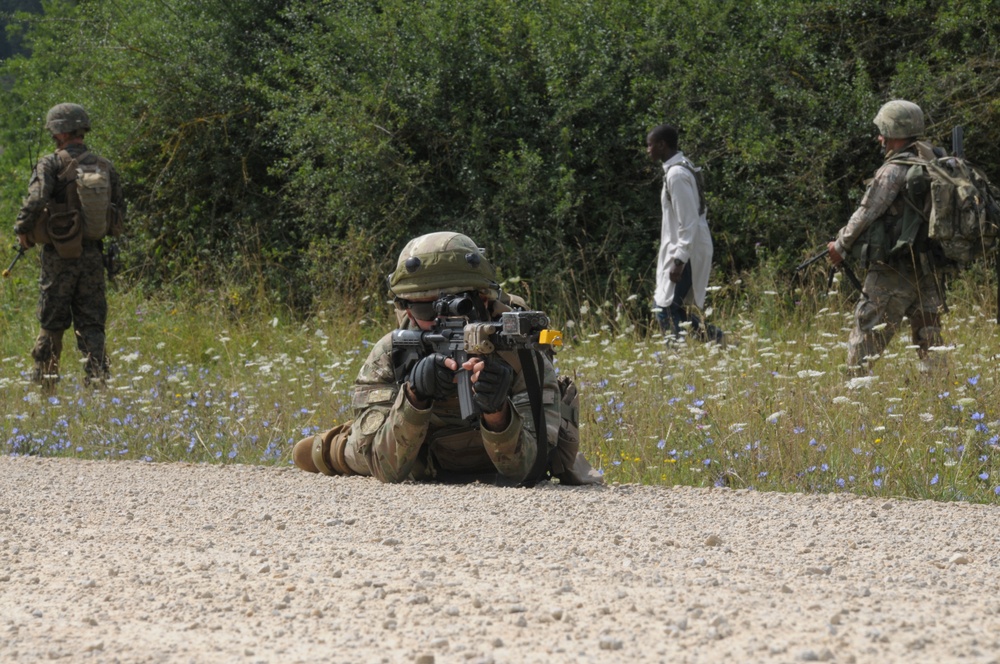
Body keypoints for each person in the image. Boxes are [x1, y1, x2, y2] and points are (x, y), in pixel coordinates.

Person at [293, 231, 601, 486]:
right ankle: (333, 446)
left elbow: (528, 470)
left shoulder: (519, 352)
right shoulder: (393, 353)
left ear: (483, 299)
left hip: (491, 458)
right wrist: (414, 397)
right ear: (406, 307)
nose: (442, 317)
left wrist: (498, 415)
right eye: (426, 310)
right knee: (348, 451)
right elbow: (385, 469)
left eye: (459, 304)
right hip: (416, 461)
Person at [827, 100, 946, 374]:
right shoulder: (933, 162)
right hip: (926, 269)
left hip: (892, 271)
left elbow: (867, 212)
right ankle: (942, 396)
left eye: (883, 131)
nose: (880, 137)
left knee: (865, 339)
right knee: (930, 339)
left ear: (893, 130)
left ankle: (853, 398)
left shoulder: (893, 170)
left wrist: (841, 245)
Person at [13, 103, 125, 388]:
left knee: (51, 325)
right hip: (93, 257)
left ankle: (45, 391)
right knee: (92, 326)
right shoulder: (104, 165)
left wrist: (22, 229)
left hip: (58, 258)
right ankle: (99, 387)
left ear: (58, 131)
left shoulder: (50, 163)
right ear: (81, 129)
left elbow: (36, 200)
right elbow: (119, 215)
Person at [646, 124, 724, 344]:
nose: (648, 150)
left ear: (662, 145)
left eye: (650, 145)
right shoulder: (679, 168)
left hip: (686, 250)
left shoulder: (677, 174)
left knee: (663, 308)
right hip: (687, 247)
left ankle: (675, 357)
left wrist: (679, 259)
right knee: (670, 307)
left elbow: (688, 221)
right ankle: (718, 340)